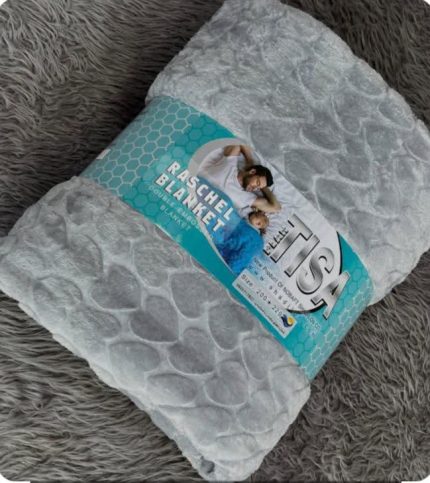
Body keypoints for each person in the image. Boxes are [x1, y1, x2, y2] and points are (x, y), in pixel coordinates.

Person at [197, 144, 281, 218]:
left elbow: (276, 208)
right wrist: (250, 161)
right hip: (191, 186)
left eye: (258, 188)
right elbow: (238, 142)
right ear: (252, 172)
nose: (256, 188)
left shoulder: (248, 198)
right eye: (257, 182)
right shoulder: (230, 163)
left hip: (200, 211)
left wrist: (263, 187)